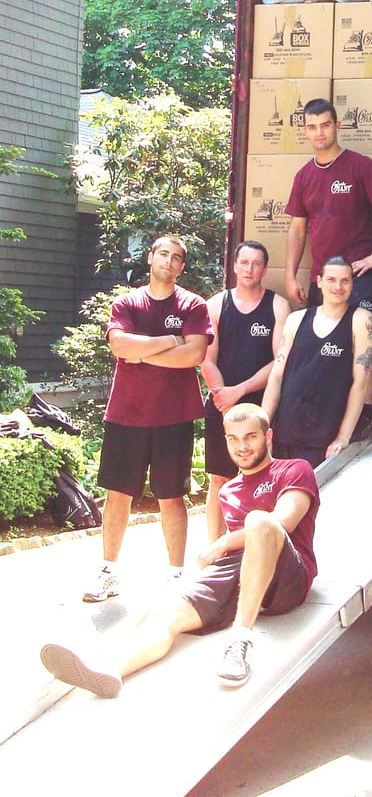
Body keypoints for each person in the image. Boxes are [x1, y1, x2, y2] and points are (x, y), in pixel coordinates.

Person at [41, 403, 320, 694]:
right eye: (233, 438)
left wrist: (222, 542)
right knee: (167, 612)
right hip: (238, 574)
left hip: (287, 575)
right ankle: (110, 672)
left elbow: (283, 522)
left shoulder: (294, 470)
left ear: (268, 436)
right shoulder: (228, 491)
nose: (242, 446)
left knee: (259, 522)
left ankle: (240, 642)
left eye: (251, 437)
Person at [82, 236, 213, 604]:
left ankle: (175, 575)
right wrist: (171, 340)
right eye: (163, 254)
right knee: (117, 494)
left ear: (181, 266)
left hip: (174, 416)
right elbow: (120, 346)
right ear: (151, 258)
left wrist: (142, 353)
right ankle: (108, 571)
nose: (168, 261)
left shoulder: (193, 305)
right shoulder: (127, 303)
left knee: (172, 496)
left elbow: (194, 355)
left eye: (176, 257)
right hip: (127, 414)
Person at [200, 240, 291, 543]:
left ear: (265, 269)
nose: (250, 269)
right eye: (244, 263)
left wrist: (239, 392)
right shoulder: (215, 305)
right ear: (235, 266)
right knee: (219, 479)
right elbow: (206, 359)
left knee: (261, 479)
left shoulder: (277, 306)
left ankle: (255, 547)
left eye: (256, 264)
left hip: (261, 404)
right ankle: (214, 550)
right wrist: (224, 399)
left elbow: (279, 362)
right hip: (221, 403)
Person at [284, 98, 372, 315]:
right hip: (322, 277)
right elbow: (297, 231)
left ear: (337, 126)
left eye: (325, 125)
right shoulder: (303, 177)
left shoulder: (360, 166)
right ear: (305, 131)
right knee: (320, 336)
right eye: (312, 127)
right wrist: (290, 276)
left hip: (358, 274)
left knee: (360, 334)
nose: (319, 132)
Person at [262, 256, 372, 468]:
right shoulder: (296, 319)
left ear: (352, 284)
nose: (338, 287)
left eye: (345, 280)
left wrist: (343, 437)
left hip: (326, 436)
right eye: (331, 279)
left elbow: (360, 384)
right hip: (286, 429)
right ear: (320, 281)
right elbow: (276, 377)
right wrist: (263, 427)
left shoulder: (361, 320)